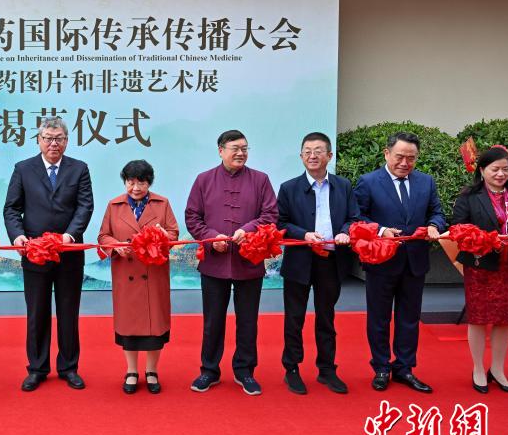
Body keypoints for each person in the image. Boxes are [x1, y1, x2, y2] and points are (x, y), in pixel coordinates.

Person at [185, 129, 278, 396]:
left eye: (245, 148)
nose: (240, 153)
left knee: (248, 320)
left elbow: (270, 214)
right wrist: (211, 237)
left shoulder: (261, 180)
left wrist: (247, 230)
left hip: (249, 260)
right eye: (235, 148)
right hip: (214, 262)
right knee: (213, 320)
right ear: (220, 150)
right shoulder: (204, 180)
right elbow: (192, 216)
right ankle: (209, 370)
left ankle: (245, 370)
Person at [4, 116, 94, 391]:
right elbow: (11, 208)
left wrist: (70, 235)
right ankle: (37, 368)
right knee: (37, 312)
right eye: (48, 138)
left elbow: (85, 206)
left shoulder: (79, 169)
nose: (53, 143)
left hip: (69, 253)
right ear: (39, 140)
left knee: (68, 312)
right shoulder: (23, 169)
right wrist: (18, 235)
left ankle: (69, 367)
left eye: (59, 139)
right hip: (35, 252)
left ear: (66, 141)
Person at [355, 131, 446, 393]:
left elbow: (437, 212)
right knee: (379, 318)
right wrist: (381, 230)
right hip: (381, 262)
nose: (405, 163)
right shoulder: (368, 182)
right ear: (387, 154)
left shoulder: (426, 182)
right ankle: (381, 367)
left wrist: (433, 225)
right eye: (399, 157)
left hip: (414, 261)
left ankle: (404, 367)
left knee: (409, 318)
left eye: (411, 158)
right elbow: (357, 217)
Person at [276, 132, 359, 395]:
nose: (313, 156)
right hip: (299, 260)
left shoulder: (343, 186)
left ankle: (327, 369)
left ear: (329, 156)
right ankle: (291, 369)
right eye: (307, 151)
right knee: (294, 318)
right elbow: (280, 223)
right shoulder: (289, 188)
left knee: (326, 317)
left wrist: (345, 231)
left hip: (331, 261)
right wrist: (304, 235)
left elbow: (354, 217)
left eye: (318, 151)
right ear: (301, 156)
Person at [451, 146, 508, 394]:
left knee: (505, 320)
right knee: (478, 318)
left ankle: (498, 369)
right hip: (481, 265)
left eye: (505, 169)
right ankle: (478, 368)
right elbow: (458, 229)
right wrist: (487, 240)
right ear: (482, 170)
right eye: (495, 169)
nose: (501, 174)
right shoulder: (468, 196)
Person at [97, 160, 178, 394]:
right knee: (129, 326)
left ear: (149, 183)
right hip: (126, 272)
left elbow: (173, 233)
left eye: (141, 182)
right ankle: (131, 371)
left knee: (154, 328)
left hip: (153, 272)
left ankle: (151, 370)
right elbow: (103, 236)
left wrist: (163, 236)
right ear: (125, 182)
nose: (135, 188)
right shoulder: (114, 205)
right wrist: (116, 246)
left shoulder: (162, 204)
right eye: (130, 182)